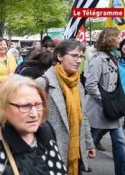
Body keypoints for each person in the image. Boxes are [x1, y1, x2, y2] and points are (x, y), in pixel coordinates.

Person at [0, 74, 67, 174]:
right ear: (3, 107)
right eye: (25, 106)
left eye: (38, 104)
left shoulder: (45, 129)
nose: (34, 114)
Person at [35, 39, 95, 174]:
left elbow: (82, 116)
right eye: (74, 56)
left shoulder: (77, 84)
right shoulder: (42, 83)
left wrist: (88, 142)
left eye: (81, 56)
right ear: (60, 56)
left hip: (75, 153)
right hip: (51, 151)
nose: (79, 61)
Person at [85, 27, 125, 174]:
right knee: (88, 140)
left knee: (119, 142)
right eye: (117, 37)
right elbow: (90, 85)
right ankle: (75, 164)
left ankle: (122, 172)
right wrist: (105, 100)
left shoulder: (115, 57)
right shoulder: (98, 59)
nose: (120, 40)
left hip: (112, 111)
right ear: (110, 39)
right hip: (100, 111)